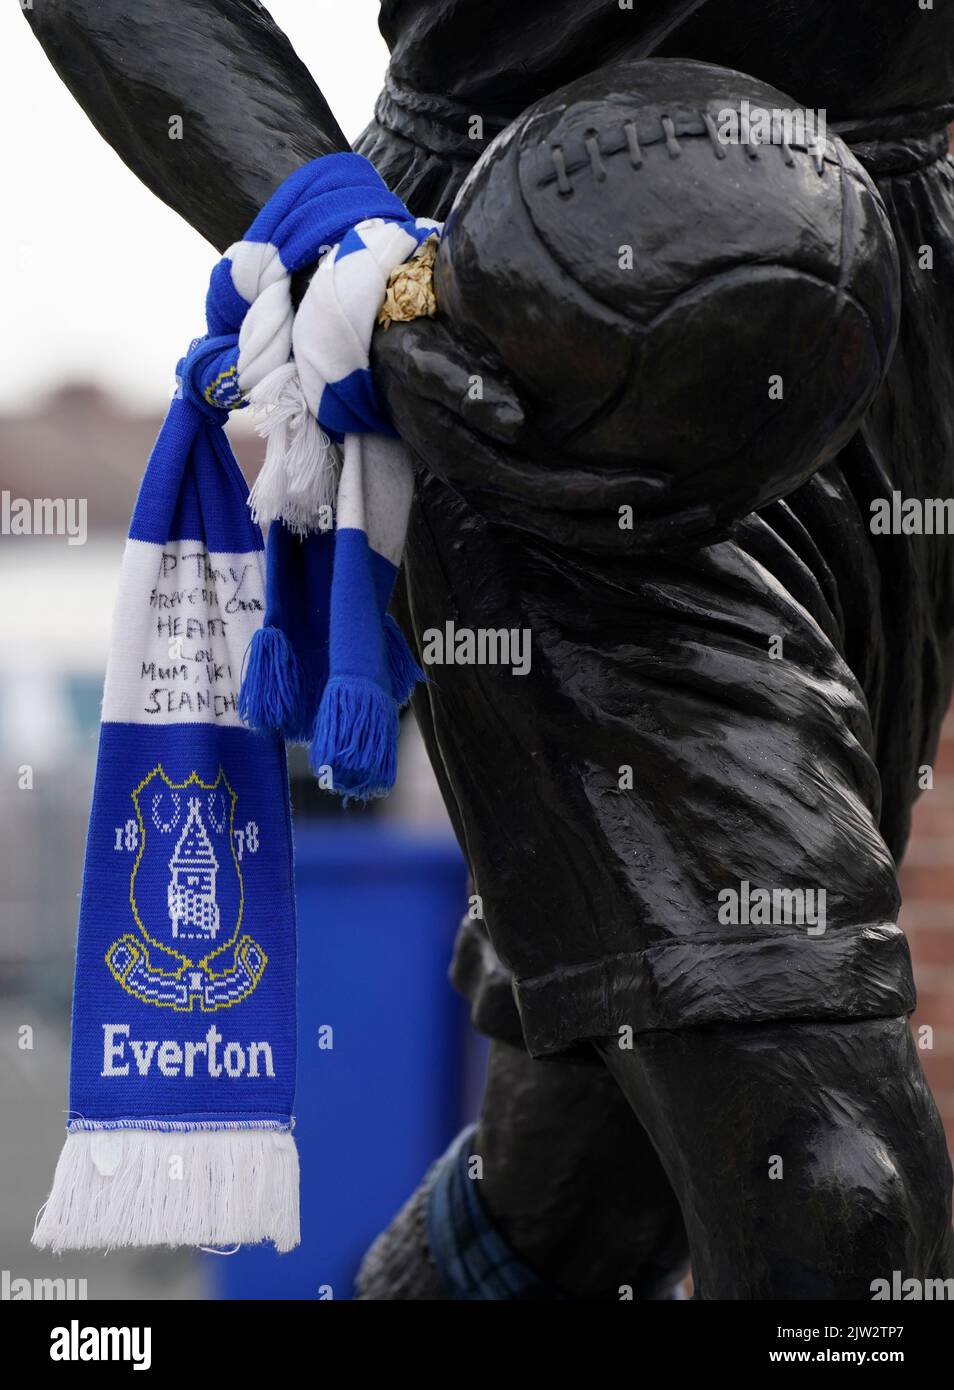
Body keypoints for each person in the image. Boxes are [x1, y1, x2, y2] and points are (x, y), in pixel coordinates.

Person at [24, 0, 954, 1298]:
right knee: (829, 1187)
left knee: (586, 1177)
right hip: (544, 328)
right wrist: (336, 240)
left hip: (891, 298)